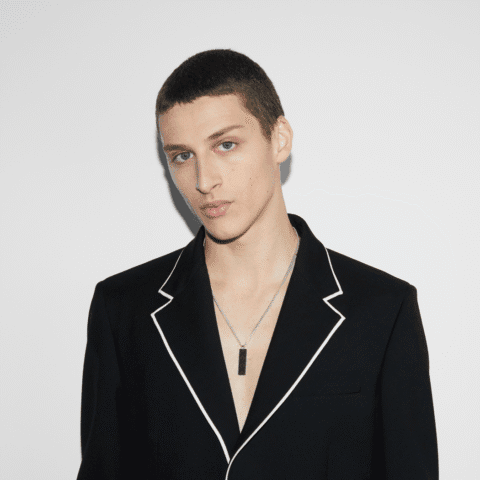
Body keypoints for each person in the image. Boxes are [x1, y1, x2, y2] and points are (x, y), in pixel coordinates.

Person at [76, 49, 438, 479]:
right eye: (182, 156)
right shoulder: (123, 309)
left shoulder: (381, 309)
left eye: (225, 145)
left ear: (279, 139)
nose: (204, 180)